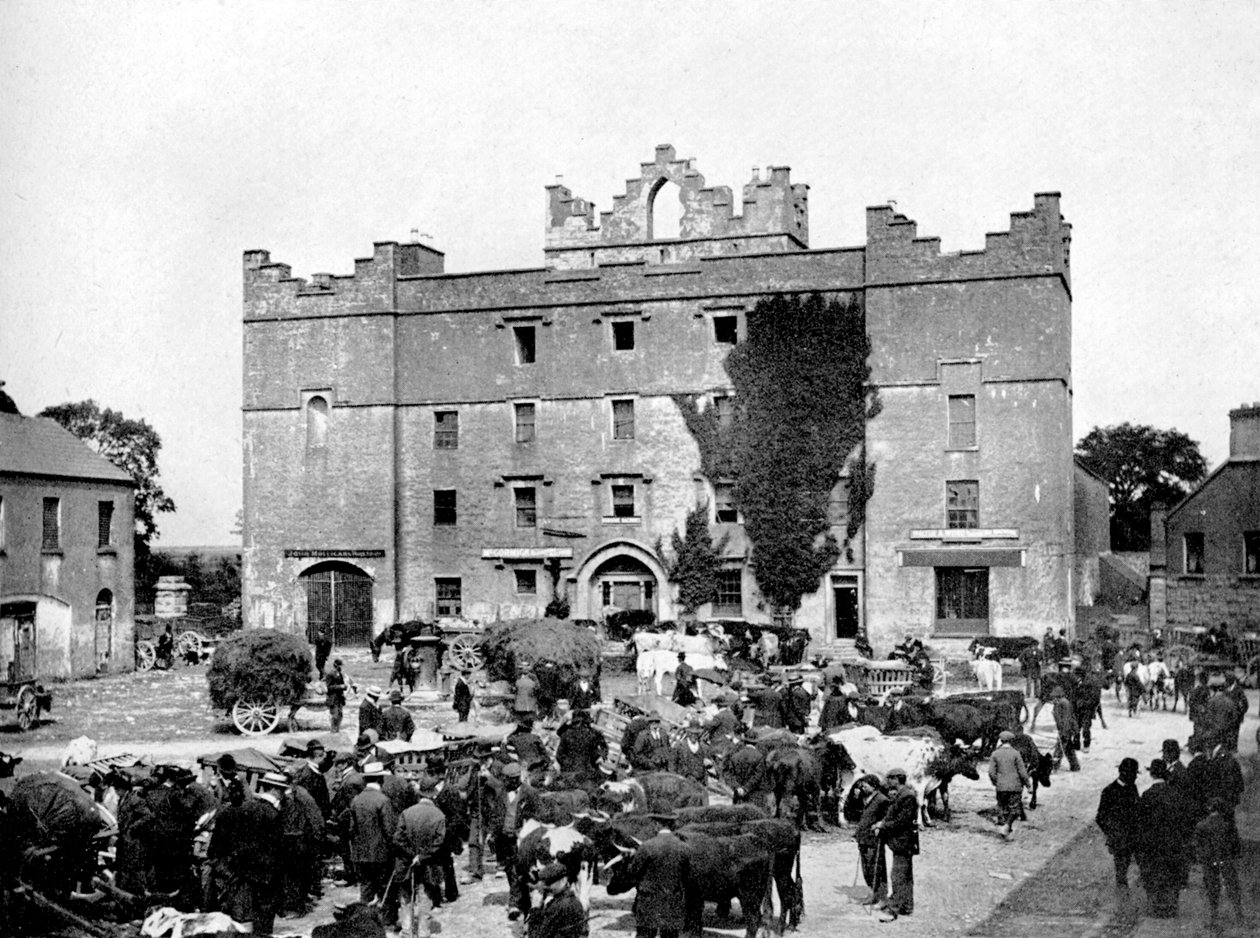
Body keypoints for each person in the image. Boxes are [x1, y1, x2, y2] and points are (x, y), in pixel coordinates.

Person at [207, 774, 282, 935]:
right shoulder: (271, 813)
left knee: (235, 915)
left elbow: (214, 849)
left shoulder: (229, 813)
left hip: (236, 872)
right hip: (263, 873)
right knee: (262, 916)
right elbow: (276, 848)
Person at [605, 828, 691, 938]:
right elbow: (687, 876)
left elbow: (633, 872)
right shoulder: (684, 848)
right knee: (670, 935)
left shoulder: (647, 846)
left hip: (648, 903)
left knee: (645, 934)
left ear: (656, 825)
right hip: (672, 903)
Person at [389, 775, 446, 936]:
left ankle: (407, 930)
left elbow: (397, 838)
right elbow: (438, 842)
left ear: (420, 794)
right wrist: (421, 856)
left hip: (406, 863)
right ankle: (423, 931)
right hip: (429, 864)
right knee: (425, 897)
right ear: (433, 795)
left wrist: (411, 854)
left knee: (406, 896)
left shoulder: (406, 813)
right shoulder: (439, 815)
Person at [1136, 759, 1183, 918]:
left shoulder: (1147, 795)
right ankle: (1171, 907)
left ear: (1151, 774)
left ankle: (1155, 907)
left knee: (1154, 875)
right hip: (1172, 842)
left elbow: (1141, 822)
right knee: (1171, 874)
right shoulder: (1175, 793)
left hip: (1153, 844)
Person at [348, 762, 395, 906]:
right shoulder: (383, 800)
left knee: (366, 890)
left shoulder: (356, 800)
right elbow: (389, 830)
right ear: (381, 779)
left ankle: (363, 921)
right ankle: (386, 921)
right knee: (384, 890)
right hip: (381, 854)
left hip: (361, 854)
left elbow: (351, 828)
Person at [874, 767, 918, 922]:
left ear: (897, 779)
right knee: (905, 876)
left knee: (898, 876)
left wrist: (882, 826)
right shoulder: (902, 794)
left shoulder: (907, 796)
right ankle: (906, 906)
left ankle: (893, 910)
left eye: (890, 778)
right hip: (902, 842)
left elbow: (902, 821)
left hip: (903, 842)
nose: (887, 781)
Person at [1195, 798, 1245, 927]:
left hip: (1209, 860)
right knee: (1232, 885)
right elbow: (1235, 844)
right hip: (1226, 858)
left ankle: (1213, 915)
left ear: (1209, 808)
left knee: (1212, 887)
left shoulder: (1201, 825)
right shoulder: (1228, 825)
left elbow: (1199, 845)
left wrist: (1201, 858)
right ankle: (1238, 914)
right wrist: (1236, 855)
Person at [1096, 757, 1141, 890]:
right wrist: (1112, 833)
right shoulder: (1109, 791)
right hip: (1120, 838)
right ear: (1124, 773)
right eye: (1133, 774)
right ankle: (1122, 896)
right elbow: (1100, 817)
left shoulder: (1132, 787)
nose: (1135, 777)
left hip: (1133, 836)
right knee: (1121, 870)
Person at [852, 775, 889, 907]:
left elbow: (887, 818)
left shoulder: (882, 799)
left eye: (865, 785)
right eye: (861, 785)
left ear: (873, 786)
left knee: (877, 868)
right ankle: (873, 894)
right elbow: (857, 814)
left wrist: (880, 825)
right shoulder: (864, 798)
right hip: (863, 838)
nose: (862, 788)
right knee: (866, 868)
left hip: (874, 840)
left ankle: (883, 897)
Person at [528, 861, 587, 938]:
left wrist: (535, 909)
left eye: (549, 883)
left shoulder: (556, 907)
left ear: (563, 880)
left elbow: (536, 936)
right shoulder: (575, 901)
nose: (546, 887)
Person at [988, 730, 1030, 839]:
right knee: (1015, 809)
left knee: (1002, 807)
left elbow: (991, 772)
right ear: (1011, 741)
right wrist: (1028, 785)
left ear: (1001, 741)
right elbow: (1022, 772)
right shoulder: (1016, 754)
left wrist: (996, 782)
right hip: (1015, 786)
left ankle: (1006, 827)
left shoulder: (995, 754)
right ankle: (1007, 826)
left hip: (1001, 786)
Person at [556, 709, 609, 783]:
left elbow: (559, 756)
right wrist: (601, 757)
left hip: (568, 774)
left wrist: (568, 765)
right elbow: (604, 747)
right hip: (587, 774)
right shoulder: (593, 734)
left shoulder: (566, 734)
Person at [667, 720, 710, 799]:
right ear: (688, 733)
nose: (694, 736)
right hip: (684, 782)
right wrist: (674, 780)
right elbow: (672, 764)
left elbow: (709, 766)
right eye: (692, 733)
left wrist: (708, 764)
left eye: (696, 734)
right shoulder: (679, 746)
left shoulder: (704, 748)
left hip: (700, 783)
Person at [290, 739, 331, 819]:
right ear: (317, 756)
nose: (324, 759)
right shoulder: (309, 775)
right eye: (323, 757)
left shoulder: (310, 772)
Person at [1072, 664, 1106, 752]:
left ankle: (1086, 745)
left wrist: (1084, 703)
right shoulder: (1078, 681)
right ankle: (1076, 744)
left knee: (1086, 727)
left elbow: (1095, 698)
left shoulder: (1091, 682)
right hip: (1078, 708)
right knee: (1076, 726)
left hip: (1087, 709)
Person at [1050, 686, 1080, 771]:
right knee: (1068, 749)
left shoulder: (1062, 703)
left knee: (1059, 749)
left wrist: (1063, 732)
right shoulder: (1061, 703)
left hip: (1065, 730)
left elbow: (1066, 719)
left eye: (1054, 697)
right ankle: (1075, 766)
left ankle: (1054, 767)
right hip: (1068, 729)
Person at [325, 658, 354, 733]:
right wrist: (340, 687)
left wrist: (345, 686)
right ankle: (333, 731)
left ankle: (337, 730)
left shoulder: (340, 673)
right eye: (340, 666)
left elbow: (342, 683)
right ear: (336, 665)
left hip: (340, 698)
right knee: (335, 716)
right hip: (333, 698)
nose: (341, 667)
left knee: (340, 715)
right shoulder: (330, 674)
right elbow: (329, 687)